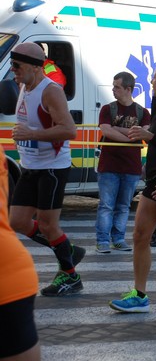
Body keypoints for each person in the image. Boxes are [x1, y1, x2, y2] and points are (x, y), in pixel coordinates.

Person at [8, 42, 83, 297]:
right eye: (12, 65)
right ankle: (68, 250)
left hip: (52, 167)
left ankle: (71, 275)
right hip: (30, 166)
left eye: (17, 66)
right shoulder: (23, 86)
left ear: (33, 66)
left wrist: (33, 134)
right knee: (17, 221)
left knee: (49, 226)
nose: (13, 70)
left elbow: (70, 130)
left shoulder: (50, 90)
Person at [108, 59, 156, 313]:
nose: (150, 82)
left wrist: (151, 137)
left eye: (155, 78)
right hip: (154, 181)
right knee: (140, 236)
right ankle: (140, 294)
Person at [94, 72, 151, 253]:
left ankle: (118, 239)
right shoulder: (107, 109)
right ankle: (102, 240)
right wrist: (128, 138)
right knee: (106, 205)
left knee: (124, 206)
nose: (113, 90)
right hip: (109, 165)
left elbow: (143, 133)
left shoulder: (143, 112)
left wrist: (117, 128)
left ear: (128, 89)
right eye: (113, 86)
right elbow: (106, 130)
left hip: (131, 167)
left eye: (117, 87)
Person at [0, 145, 41, 361]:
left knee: (50, 225)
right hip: (11, 272)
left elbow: (68, 129)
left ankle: (70, 267)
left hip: (7, 278)